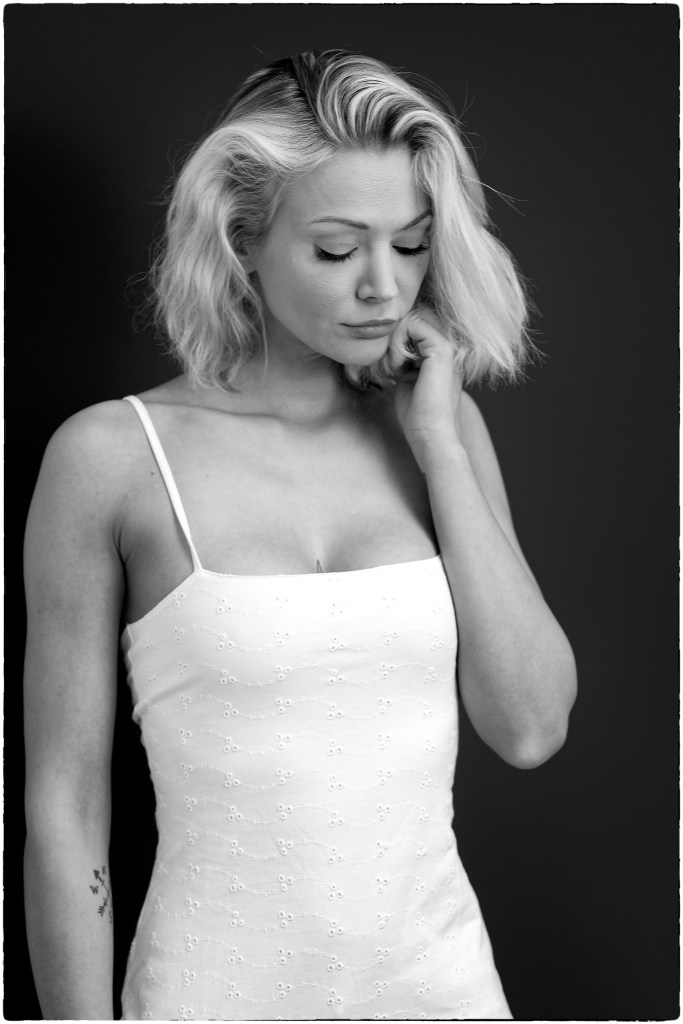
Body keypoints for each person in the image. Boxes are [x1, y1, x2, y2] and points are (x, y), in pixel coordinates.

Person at [23, 49, 577, 1021]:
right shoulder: (111, 457)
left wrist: (439, 447)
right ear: (241, 237)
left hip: (443, 994)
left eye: (411, 244)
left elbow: (528, 727)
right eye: (335, 250)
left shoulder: (440, 432)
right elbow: (65, 810)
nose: (384, 287)